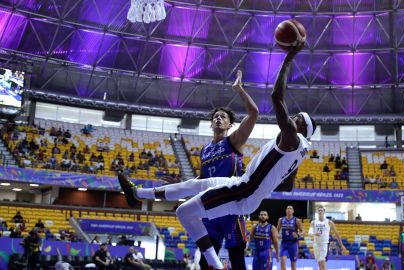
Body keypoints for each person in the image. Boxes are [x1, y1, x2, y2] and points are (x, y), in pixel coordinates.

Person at [118, 42, 316, 269]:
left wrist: (289, 57)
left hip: (242, 192)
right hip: (242, 185)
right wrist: (263, 182)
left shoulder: (290, 137)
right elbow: (287, 187)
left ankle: (218, 265)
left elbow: (276, 97)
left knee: (184, 212)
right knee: (195, 184)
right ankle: (137, 193)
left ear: (301, 129)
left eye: (297, 118)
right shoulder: (297, 152)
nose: (292, 119)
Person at [196, 70, 258, 270]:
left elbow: (254, 113)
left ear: (230, 124)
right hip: (211, 210)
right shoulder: (204, 150)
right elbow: (202, 179)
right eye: (215, 117)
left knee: (237, 260)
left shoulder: (234, 141)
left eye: (222, 117)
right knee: (205, 262)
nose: (218, 119)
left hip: (232, 208)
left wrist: (239, 89)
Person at [277, 206, 305, 270]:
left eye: (290, 209)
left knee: (293, 264)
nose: (289, 209)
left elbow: (303, 231)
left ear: (293, 211)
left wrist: (298, 235)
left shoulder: (296, 220)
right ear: (286, 210)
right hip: (284, 243)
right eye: (287, 208)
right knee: (282, 261)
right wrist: (278, 235)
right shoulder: (281, 219)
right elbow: (276, 230)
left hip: (293, 243)